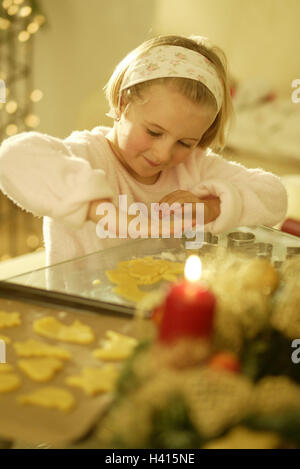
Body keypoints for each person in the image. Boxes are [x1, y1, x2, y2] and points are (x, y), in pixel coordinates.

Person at [0, 35, 287, 267]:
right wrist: (101, 211)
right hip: (80, 313)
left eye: (185, 143)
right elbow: (12, 156)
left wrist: (212, 206)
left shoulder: (196, 168)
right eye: (153, 132)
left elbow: (274, 196)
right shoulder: (86, 155)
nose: (164, 154)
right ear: (124, 104)